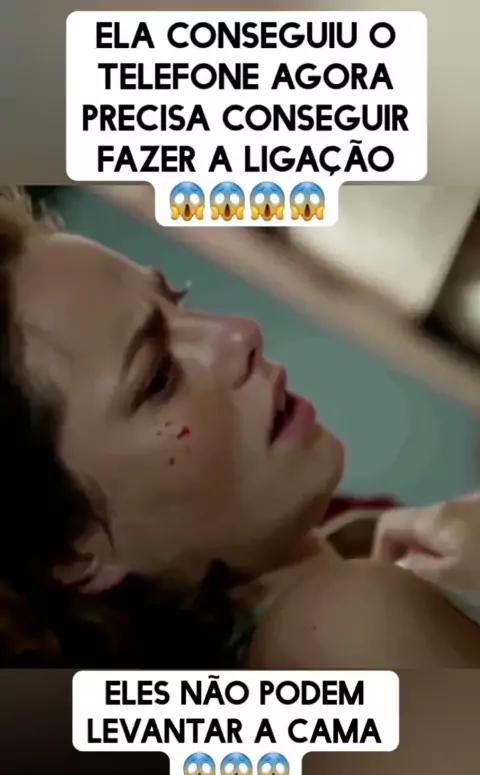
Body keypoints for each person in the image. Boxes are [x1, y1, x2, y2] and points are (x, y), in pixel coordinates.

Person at [1, 186, 480, 669]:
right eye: (159, 379)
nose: (238, 333)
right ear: (74, 555)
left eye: (178, 300)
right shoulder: (343, 626)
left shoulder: (368, 544)